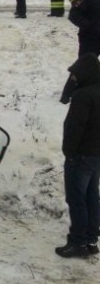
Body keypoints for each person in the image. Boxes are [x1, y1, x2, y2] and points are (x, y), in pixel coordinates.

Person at [56, 52, 100, 258]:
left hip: (80, 155)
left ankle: (77, 243)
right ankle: (91, 239)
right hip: (96, 155)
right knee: (92, 197)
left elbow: (74, 127)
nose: (74, 79)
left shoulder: (83, 96)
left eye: (76, 75)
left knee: (77, 199)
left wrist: (69, 152)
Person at [59, 0, 100, 104]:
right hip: (91, 37)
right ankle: (67, 94)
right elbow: (74, 15)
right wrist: (90, 26)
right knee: (83, 66)